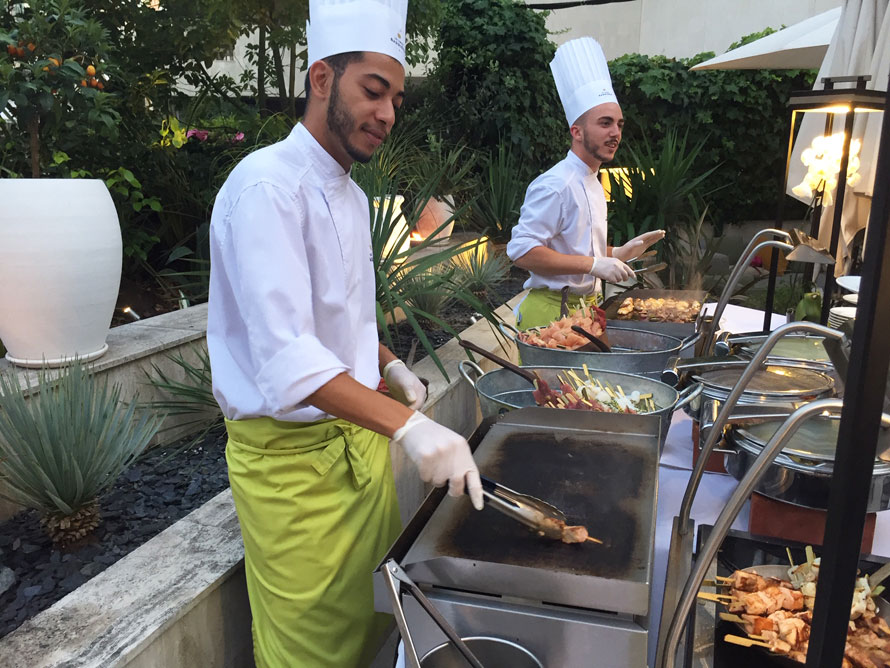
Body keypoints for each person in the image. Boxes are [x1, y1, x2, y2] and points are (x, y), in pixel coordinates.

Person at [205, 0, 483, 665]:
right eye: (373, 90)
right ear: (322, 80)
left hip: (359, 450)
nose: (387, 112)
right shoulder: (265, 189)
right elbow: (287, 358)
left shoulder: (355, 197)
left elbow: (341, 314)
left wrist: (385, 360)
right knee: (309, 652)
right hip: (292, 471)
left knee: (376, 627)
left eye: (395, 97)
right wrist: (410, 427)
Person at [506, 37, 666, 330]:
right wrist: (593, 265)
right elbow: (522, 250)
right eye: (605, 123)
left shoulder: (593, 179)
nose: (615, 132)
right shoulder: (556, 184)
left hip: (586, 311)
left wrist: (618, 253)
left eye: (619, 124)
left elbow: (574, 245)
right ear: (576, 131)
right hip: (551, 314)